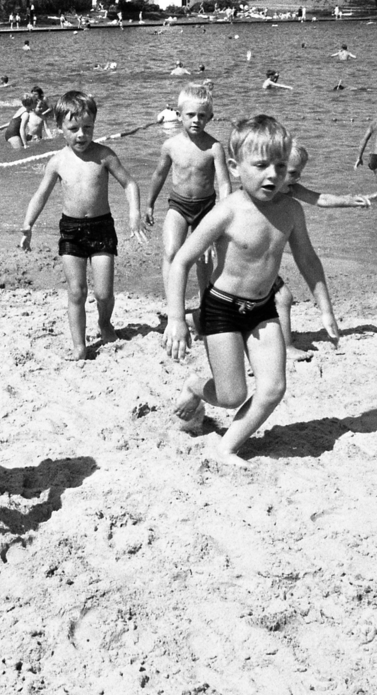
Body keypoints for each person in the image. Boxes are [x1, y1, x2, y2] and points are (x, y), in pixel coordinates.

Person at [163, 115, 340, 467]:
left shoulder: (292, 211)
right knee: (231, 396)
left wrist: (325, 309)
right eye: (260, 166)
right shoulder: (227, 211)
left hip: (262, 309)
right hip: (222, 309)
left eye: (280, 166)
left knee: (273, 388)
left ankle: (226, 447)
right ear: (235, 167)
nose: (272, 175)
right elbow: (181, 261)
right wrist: (176, 319)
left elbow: (307, 259)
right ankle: (196, 387)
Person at [20, 91, 146, 361]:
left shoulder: (104, 156)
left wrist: (134, 212)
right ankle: (79, 345)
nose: (81, 134)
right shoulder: (57, 161)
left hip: (102, 228)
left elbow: (130, 184)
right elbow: (41, 194)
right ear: (60, 128)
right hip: (71, 230)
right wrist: (28, 224)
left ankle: (104, 322)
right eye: (74, 128)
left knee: (104, 293)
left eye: (88, 128)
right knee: (77, 291)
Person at [274, 141, 368, 361]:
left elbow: (320, 198)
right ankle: (285, 347)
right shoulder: (260, 193)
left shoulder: (290, 190)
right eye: (293, 173)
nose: (298, 178)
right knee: (283, 298)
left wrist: (348, 201)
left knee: (279, 298)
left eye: (300, 173)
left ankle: (197, 321)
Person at [145, 83, 231, 294]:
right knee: (171, 252)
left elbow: (224, 184)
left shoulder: (214, 148)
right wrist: (149, 204)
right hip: (178, 206)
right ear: (179, 114)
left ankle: (205, 303)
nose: (196, 120)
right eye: (190, 115)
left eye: (202, 116)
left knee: (204, 257)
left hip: (206, 209)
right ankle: (173, 302)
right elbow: (159, 175)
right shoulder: (170, 146)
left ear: (210, 117)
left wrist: (222, 216)